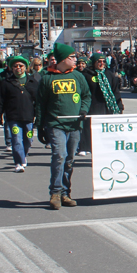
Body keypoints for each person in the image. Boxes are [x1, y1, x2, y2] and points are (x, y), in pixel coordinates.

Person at [35, 42, 92, 210]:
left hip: (74, 125)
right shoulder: (47, 79)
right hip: (55, 124)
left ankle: (66, 193)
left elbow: (86, 96)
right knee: (59, 156)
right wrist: (40, 126)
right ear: (62, 59)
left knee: (69, 160)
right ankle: (55, 192)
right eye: (72, 57)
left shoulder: (78, 77)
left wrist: (83, 110)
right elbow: (40, 104)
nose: (76, 59)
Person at [0, 56, 39, 172]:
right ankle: (19, 162)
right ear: (11, 68)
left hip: (28, 117)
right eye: (15, 66)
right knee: (16, 139)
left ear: (25, 67)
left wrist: (39, 116)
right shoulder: (6, 83)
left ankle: (23, 154)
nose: (18, 68)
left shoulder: (33, 82)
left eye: (21, 66)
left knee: (28, 140)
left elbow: (39, 101)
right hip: (13, 117)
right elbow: (0, 101)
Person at [77, 53, 124, 156]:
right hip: (92, 105)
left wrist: (119, 105)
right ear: (94, 63)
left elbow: (115, 91)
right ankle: (85, 146)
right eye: (99, 61)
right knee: (88, 127)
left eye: (103, 61)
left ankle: (104, 146)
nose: (101, 63)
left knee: (104, 128)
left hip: (106, 106)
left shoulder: (109, 74)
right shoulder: (86, 74)